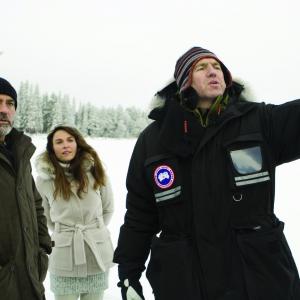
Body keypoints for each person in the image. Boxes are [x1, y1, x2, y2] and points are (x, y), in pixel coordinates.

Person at [113, 46, 300, 300]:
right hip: (186, 282)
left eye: (217, 68)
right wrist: (128, 273)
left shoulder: (260, 121)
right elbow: (139, 214)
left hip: (258, 278)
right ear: (183, 83)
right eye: (201, 68)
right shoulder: (154, 140)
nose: (213, 72)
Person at [35, 125, 114, 300]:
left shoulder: (96, 171)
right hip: (64, 257)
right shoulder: (44, 181)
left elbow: (108, 208)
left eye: (70, 140)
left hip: (96, 254)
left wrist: (94, 230)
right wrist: (66, 233)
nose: (65, 145)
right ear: (52, 148)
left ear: (78, 144)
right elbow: (45, 217)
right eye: (59, 142)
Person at [0, 77, 52, 300]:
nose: (4, 110)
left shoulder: (20, 154)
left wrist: (42, 247)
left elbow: (36, 203)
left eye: (10, 103)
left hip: (30, 279)